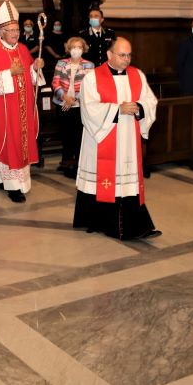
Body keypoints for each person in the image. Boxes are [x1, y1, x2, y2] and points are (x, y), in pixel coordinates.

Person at [73, 36, 160, 239]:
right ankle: (102, 222)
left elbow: (150, 100)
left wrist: (139, 107)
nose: (127, 59)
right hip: (102, 139)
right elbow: (88, 108)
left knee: (126, 182)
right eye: (122, 55)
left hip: (128, 140)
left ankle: (137, 226)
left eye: (129, 55)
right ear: (110, 55)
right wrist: (117, 109)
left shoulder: (137, 75)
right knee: (103, 181)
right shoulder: (93, 78)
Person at [0, 0, 43, 203]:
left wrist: (35, 68)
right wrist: (7, 74)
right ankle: (12, 186)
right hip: (3, 109)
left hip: (22, 107)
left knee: (21, 142)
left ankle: (17, 181)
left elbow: (31, 77)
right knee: (8, 142)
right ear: (1, 31)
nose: (16, 34)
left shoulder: (22, 49)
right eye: (11, 30)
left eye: (17, 29)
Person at [52, 36, 94, 178]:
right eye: (73, 47)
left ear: (84, 49)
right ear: (69, 49)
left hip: (79, 106)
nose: (76, 50)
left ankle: (77, 165)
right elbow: (55, 82)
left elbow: (88, 87)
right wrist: (64, 97)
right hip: (62, 103)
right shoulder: (61, 63)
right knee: (66, 135)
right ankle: (65, 163)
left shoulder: (89, 65)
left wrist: (73, 99)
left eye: (79, 47)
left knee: (78, 136)